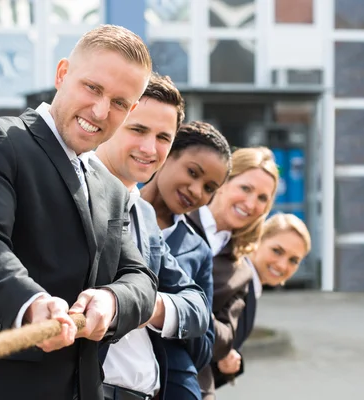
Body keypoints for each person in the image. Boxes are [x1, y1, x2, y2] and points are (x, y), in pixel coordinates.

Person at [0, 25, 159, 400]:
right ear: (62, 74)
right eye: (93, 88)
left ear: (131, 109)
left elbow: (141, 279)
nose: (101, 111)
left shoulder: (110, 189)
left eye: (120, 102)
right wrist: (31, 304)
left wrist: (113, 300)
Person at [94, 72, 210, 400]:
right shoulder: (73, 193)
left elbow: (197, 306)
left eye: (163, 137)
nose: (150, 148)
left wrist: (149, 307)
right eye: (138, 130)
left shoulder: (144, 213)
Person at [140, 121, 232, 400]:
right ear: (167, 154)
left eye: (209, 188)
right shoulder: (113, 206)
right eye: (193, 173)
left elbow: (204, 347)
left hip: (169, 388)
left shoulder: (198, 251)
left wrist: (168, 311)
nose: (196, 190)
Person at [185, 146, 279, 400]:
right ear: (224, 180)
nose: (251, 204)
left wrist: (181, 307)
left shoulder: (241, 270)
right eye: (246, 188)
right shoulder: (177, 219)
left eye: (262, 198)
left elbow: (225, 340)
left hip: (194, 386)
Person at [213, 213, 311, 378]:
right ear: (257, 240)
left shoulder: (249, 284)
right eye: (277, 251)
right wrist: (221, 352)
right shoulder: (235, 278)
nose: (282, 265)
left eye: (293, 260)